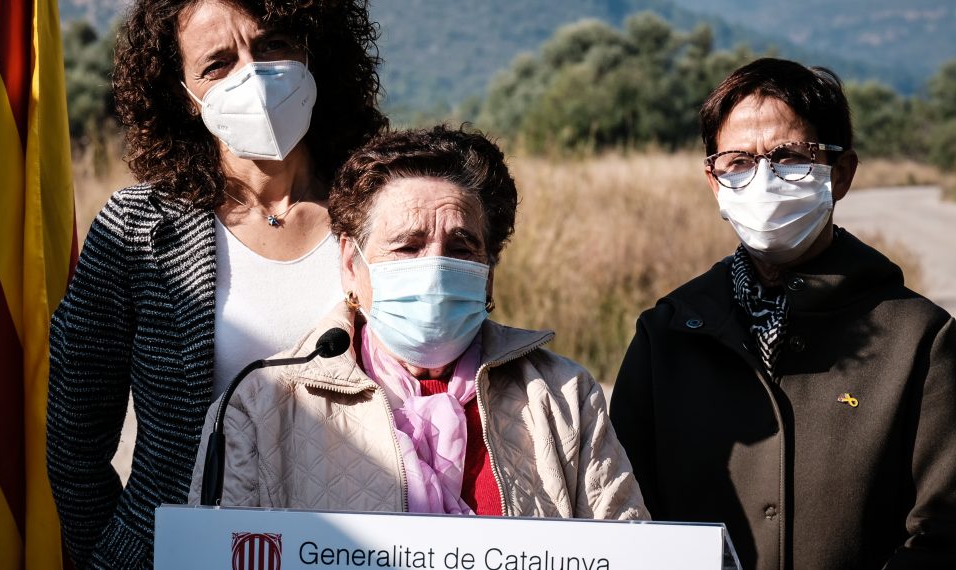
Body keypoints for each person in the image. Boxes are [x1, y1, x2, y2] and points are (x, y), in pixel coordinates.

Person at [45, 0, 387, 566]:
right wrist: (115, 553)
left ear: (312, 49)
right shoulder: (137, 230)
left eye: (272, 43)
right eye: (218, 63)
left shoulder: (387, 214)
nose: (252, 73)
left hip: (356, 549)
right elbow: (74, 443)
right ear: (183, 92)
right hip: (184, 552)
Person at [609, 57, 956, 570]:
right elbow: (622, 516)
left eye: (789, 157)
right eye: (738, 162)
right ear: (713, 180)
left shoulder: (918, 336)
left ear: (842, 173)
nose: (763, 180)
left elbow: (948, 526)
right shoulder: (668, 334)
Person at [186, 126, 649, 520]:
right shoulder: (259, 407)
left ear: (489, 274)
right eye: (407, 247)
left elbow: (628, 554)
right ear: (351, 265)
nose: (435, 267)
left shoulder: (564, 396)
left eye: (462, 247)